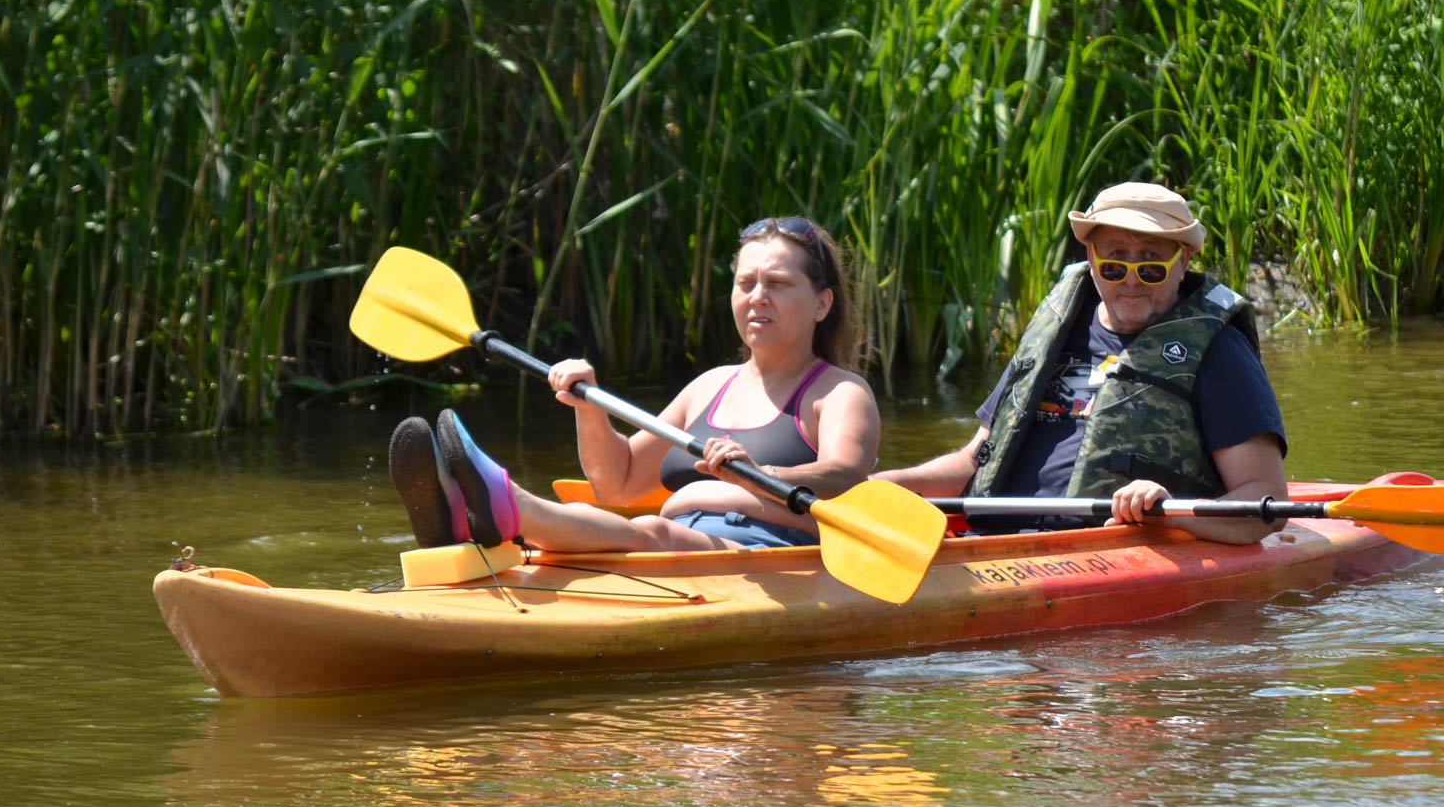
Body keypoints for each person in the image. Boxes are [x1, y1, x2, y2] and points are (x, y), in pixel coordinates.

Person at [388, 216, 880, 552]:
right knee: (638, 530)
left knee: (647, 530)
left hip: (766, 554)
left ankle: (509, 507)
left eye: (778, 284)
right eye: (745, 283)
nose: (757, 298)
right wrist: (589, 407)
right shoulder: (709, 386)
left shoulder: (839, 393)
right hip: (677, 544)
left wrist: (760, 470)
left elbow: (847, 479)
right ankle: (480, 522)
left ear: (821, 304)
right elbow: (616, 481)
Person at [874, 182, 1288, 544]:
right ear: (1091, 259)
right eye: (1114, 261)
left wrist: (1172, 509)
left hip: (1106, 550)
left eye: (1150, 265)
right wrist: (888, 485)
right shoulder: (1054, 332)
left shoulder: (1218, 350)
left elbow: (1265, 499)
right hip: (991, 541)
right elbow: (974, 459)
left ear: (1182, 262)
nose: (1130, 279)